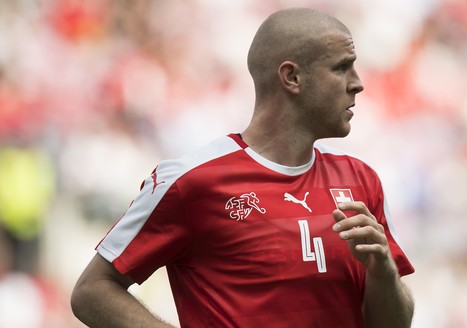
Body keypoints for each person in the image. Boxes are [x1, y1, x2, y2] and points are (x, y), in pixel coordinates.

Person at [71, 7, 415, 328]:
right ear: (292, 77)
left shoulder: (360, 180)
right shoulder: (192, 181)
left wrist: (383, 271)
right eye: (341, 67)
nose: (358, 83)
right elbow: (93, 290)